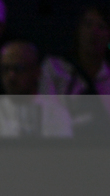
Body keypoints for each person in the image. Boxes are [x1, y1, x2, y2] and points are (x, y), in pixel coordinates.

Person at [0, 40, 73, 138]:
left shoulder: (55, 113)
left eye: (18, 69)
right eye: (6, 69)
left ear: (36, 72)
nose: (11, 76)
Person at [39, 5, 110, 139]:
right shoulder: (54, 68)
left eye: (101, 27)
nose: (94, 31)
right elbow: (48, 119)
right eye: (88, 24)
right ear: (78, 30)